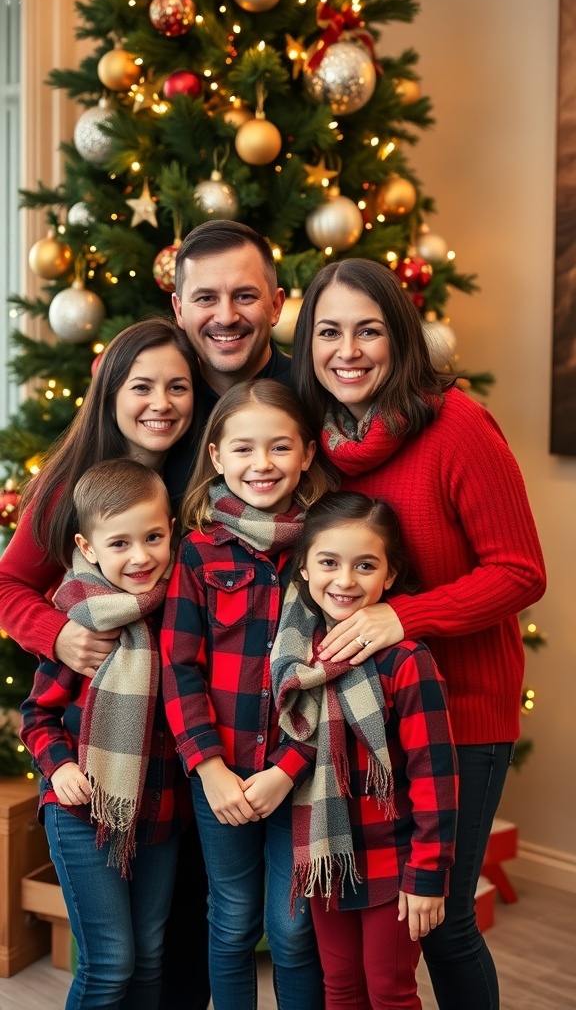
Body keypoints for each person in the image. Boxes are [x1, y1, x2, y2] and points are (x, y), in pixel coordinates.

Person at [283, 258, 547, 1010]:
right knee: (369, 921)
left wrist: (401, 615)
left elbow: (521, 572)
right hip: (365, 723)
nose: (348, 351)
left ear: (401, 338)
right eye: (329, 332)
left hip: (459, 711)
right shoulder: (318, 444)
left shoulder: (458, 425)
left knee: (440, 920)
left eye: (369, 331)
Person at [0, 318, 211, 1010]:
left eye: (178, 386)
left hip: (167, 793)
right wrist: (58, 635)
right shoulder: (68, 489)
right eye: (141, 385)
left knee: (152, 953)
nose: (161, 402)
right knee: (113, 962)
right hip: (92, 786)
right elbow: (8, 586)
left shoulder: (202, 476)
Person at [161, 379, 329, 1010]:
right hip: (220, 777)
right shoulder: (199, 553)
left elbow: (331, 673)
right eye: (245, 449)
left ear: (307, 454)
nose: (262, 464)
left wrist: (289, 768)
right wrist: (208, 769)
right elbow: (179, 666)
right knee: (231, 921)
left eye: (280, 447)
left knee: (292, 927)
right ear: (217, 457)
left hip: (300, 774)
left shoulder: (323, 551)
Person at [271, 491, 459, 1010]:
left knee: (390, 991)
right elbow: (299, 744)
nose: (346, 580)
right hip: (329, 856)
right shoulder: (298, 659)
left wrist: (427, 873)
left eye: (365, 565)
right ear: (304, 570)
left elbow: (434, 774)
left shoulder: (404, 660)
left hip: (394, 862)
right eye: (328, 562)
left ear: (390, 575)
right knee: (341, 989)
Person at [20, 459, 185, 1010]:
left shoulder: (182, 612)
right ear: (88, 548)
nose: (141, 557)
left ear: (172, 530)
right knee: (110, 960)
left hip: (159, 811)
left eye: (154, 538)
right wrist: (61, 767)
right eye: (120, 544)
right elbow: (38, 715)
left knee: (150, 953)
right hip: (84, 807)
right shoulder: (82, 623)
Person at [166, 220, 292, 501]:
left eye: (244, 296)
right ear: (180, 310)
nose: (226, 317)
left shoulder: (315, 394)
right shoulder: (161, 412)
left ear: (275, 306)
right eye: (206, 298)